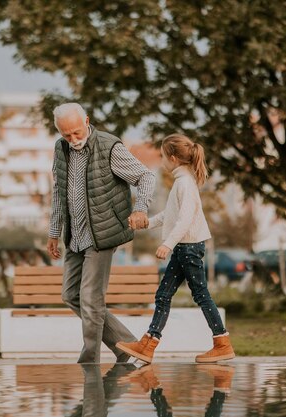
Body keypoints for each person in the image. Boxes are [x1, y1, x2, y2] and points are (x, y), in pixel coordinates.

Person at [47, 102, 156, 364]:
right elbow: (59, 193)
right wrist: (54, 232)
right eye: (66, 135)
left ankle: (89, 360)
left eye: (76, 132)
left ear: (86, 121)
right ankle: (128, 346)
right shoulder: (60, 149)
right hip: (75, 235)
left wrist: (140, 208)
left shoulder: (109, 147)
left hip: (103, 233)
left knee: (90, 298)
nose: (73, 139)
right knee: (70, 295)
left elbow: (146, 177)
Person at [116, 134, 235, 364]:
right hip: (184, 247)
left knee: (200, 295)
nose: (161, 161)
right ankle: (147, 346)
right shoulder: (182, 181)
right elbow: (171, 216)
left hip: (187, 247)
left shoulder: (184, 183)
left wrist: (167, 244)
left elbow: (185, 220)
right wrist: (147, 223)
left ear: (172, 158)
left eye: (162, 156)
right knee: (163, 295)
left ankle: (222, 343)